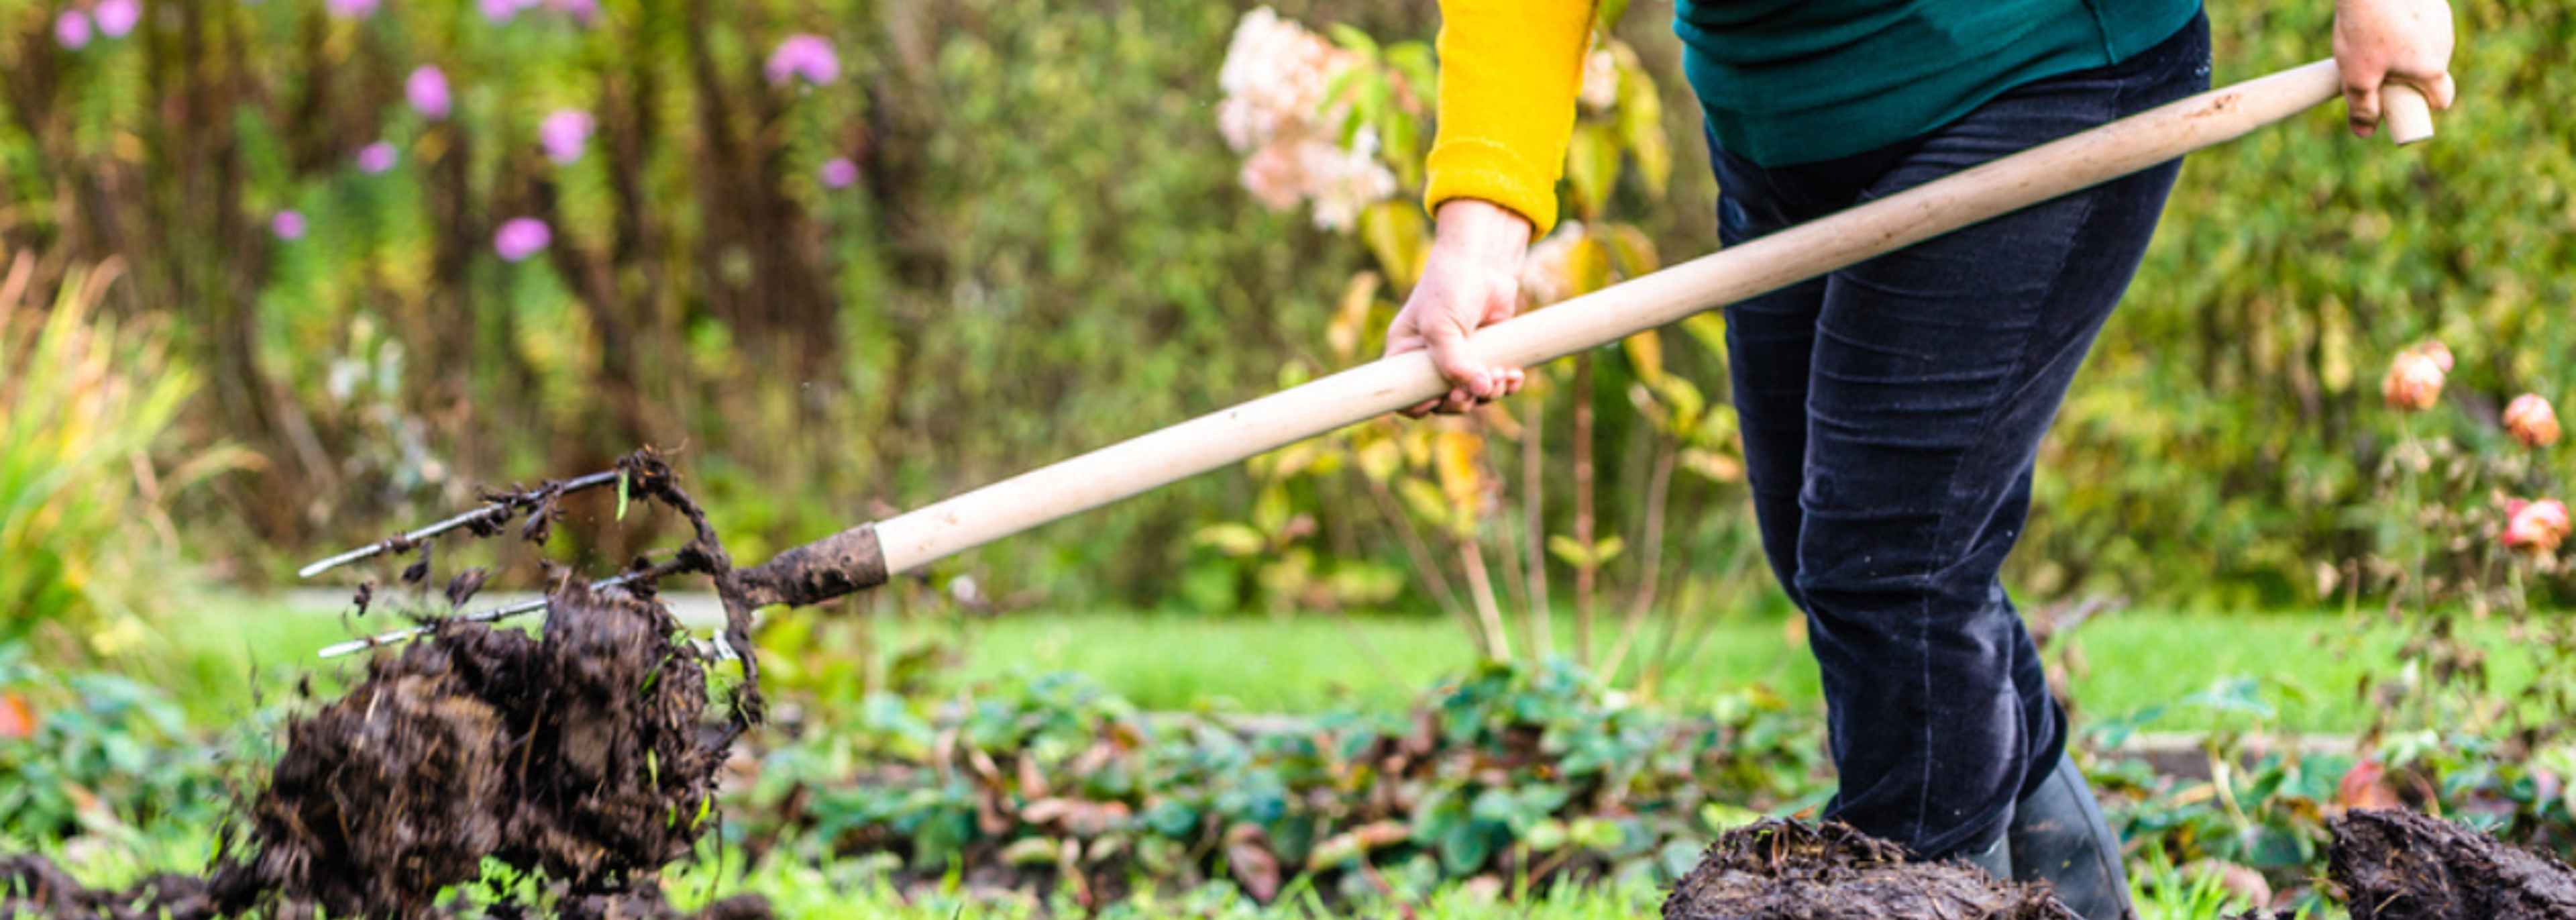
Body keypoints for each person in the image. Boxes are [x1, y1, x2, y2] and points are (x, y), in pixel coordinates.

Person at [1386, 1, 2454, 916]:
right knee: (1841, 559)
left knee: (1889, 566)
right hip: (1781, 125)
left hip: (2034, 67)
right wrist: (1480, 233)